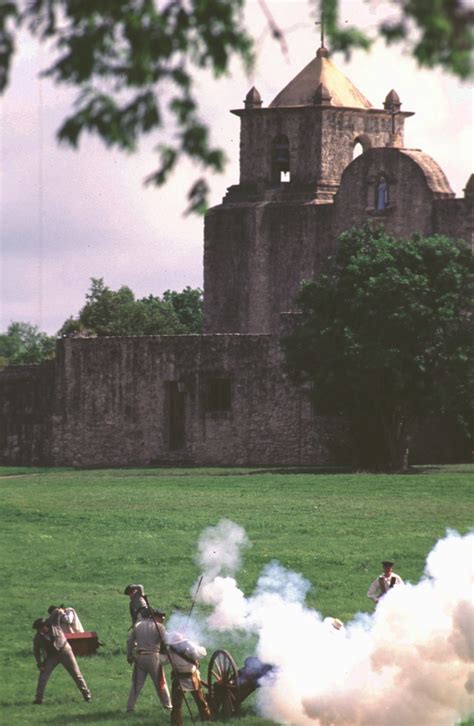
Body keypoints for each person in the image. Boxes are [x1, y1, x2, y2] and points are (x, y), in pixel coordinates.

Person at [32, 610, 91, 704]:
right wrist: (40, 664)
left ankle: (87, 696)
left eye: (41, 628)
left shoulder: (54, 623)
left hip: (65, 651)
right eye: (38, 630)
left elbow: (56, 611)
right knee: (43, 676)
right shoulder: (38, 637)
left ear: (45, 626)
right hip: (52, 656)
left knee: (76, 674)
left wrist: (61, 611)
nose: (40, 631)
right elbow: (36, 652)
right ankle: (39, 699)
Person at [126, 607, 172, 713]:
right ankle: (168, 705)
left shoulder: (137, 625)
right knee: (160, 683)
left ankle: (130, 707)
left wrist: (129, 655)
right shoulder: (159, 627)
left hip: (140, 656)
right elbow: (167, 641)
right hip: (154, 657)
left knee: (136, 684)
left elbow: (129, 641)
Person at [166, 631, 211, 726]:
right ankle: (176, 723)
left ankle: (206, 720)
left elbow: (201, 654)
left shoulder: (189, 649)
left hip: (192, 678)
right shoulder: (170, 651)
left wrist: (194, 644)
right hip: (179, 679)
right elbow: (163, 660)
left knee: (201, 701)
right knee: (177, 705)